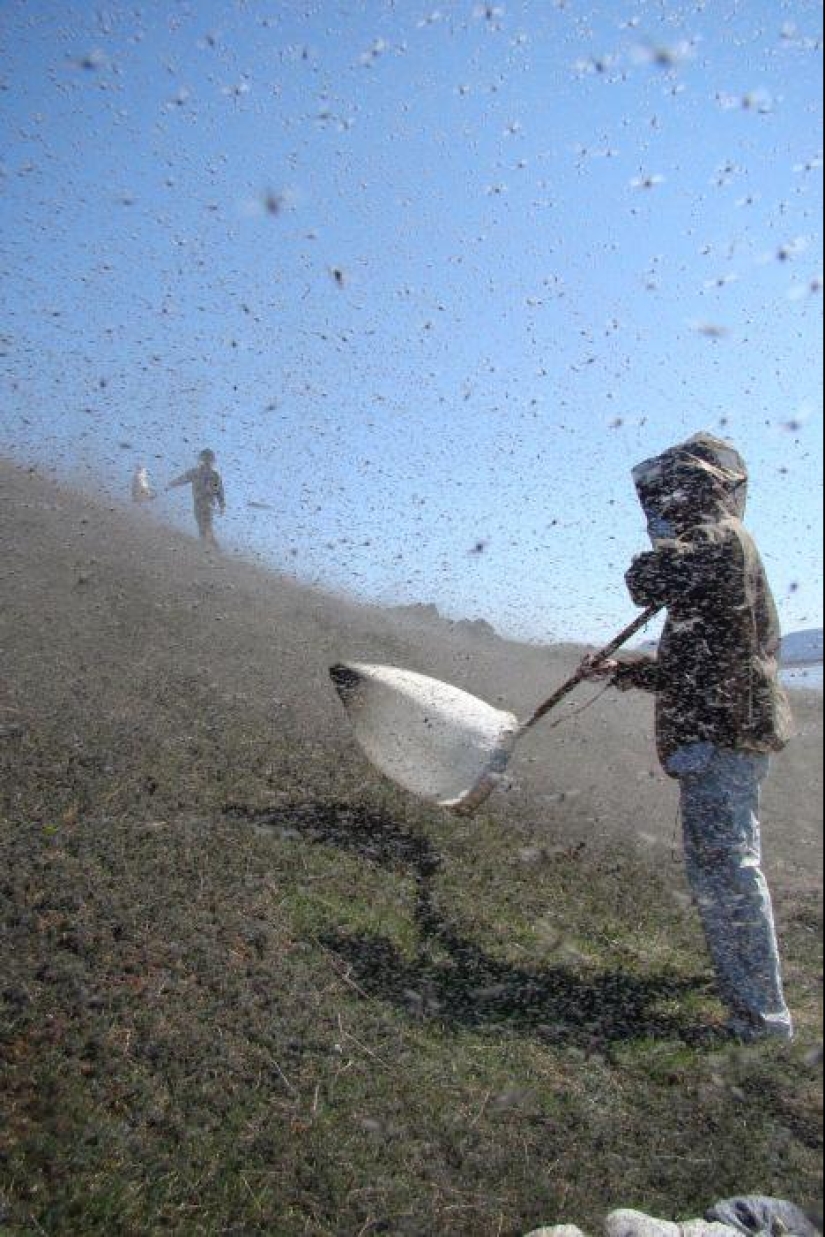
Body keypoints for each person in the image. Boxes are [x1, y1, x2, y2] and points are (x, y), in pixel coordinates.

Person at [582, 432, 794, 1041]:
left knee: (728, 873)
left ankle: (760, 1022)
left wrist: (652, 566)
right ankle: (746, 989)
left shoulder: (717, 541)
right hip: (729, 733)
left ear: (702, 490)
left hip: (722, 737)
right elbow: (701, 661)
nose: (668, 508)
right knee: (729, 868)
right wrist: (623, 672)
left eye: (678, 494)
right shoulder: (722, 555)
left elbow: (645, 580)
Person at [166, 448, 226, 548]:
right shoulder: (196, 472)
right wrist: (171, 484)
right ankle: (210, 548)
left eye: (209, 459)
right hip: (198, 503)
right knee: (202, 527)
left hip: (208, 504)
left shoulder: (214, 475)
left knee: (206, 527)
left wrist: (222, 505)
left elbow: (220, 491)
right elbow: (183, 479)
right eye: (205, 459)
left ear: (211, 460)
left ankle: (211, 549)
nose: (207, 461)